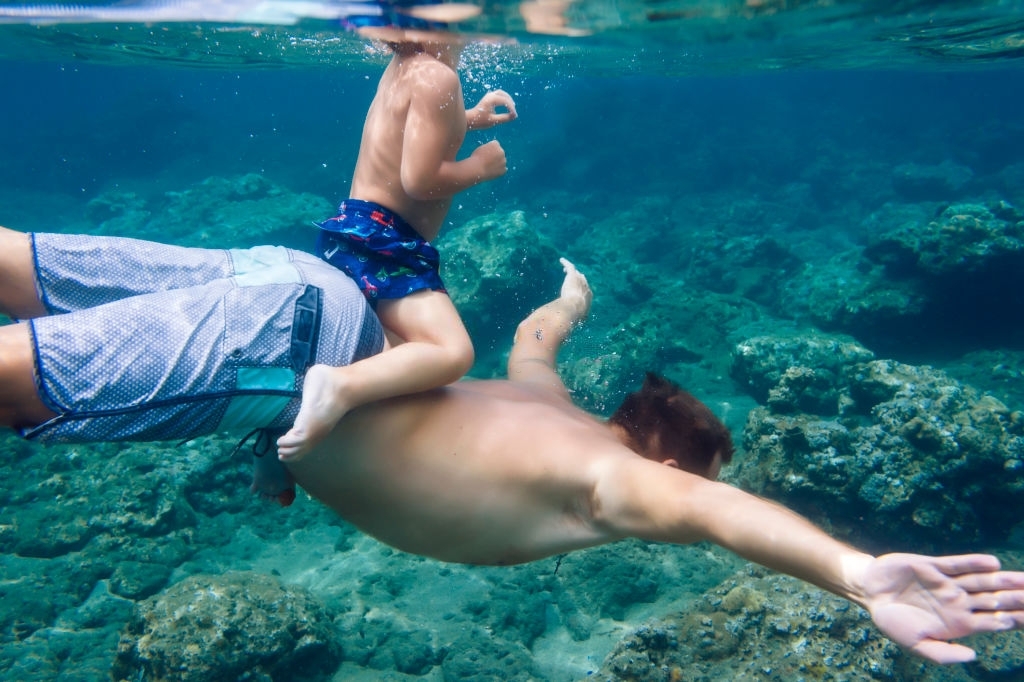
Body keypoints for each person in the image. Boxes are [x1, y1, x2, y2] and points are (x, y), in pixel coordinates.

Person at [284, 258, 1024, 665]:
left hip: (316, 303)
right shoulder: (612, 480)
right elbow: (714, 513)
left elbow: (533, 338)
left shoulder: (542, 397)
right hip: (269, 376)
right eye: (693, 480)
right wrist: (856, 576)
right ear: (668, 469)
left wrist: (573, 301)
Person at [0, 225, 386, 504]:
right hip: (311, 334)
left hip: (297, 276)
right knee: (19, 383)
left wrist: (272, 447)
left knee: (15, 268)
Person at [275, 29, 518, 461]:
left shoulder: (407, 67)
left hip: (355, 231)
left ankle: (274, 439)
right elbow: (419, 181)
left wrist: (471, 117)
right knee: (451, 353)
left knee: (387, 356)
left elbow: (417, 129)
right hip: (385, 245)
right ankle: (337, 387)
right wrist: (480, 166)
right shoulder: (437, 76)